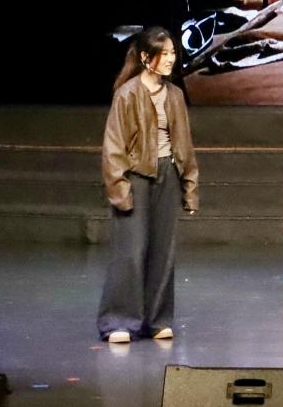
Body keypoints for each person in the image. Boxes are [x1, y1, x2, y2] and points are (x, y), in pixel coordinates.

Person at [97, 26, 199, 343]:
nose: (170, 59)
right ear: (145, 57)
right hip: (136, 177)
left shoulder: (175, 95)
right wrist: (120, 189)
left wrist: (189, 188)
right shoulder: (127, 94)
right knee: (130, 252)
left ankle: (157, 320)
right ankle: (119, 321)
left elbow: (185, 145)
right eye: (163, 54)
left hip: (167, 175)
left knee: (163, 252)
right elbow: (113, 148)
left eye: (173, 53)